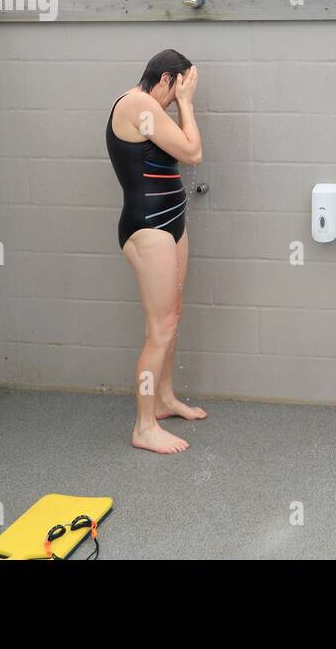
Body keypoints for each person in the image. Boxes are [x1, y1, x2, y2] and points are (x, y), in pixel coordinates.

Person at [106, 49, 206, 455]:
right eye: (177, 88)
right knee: (159, 328)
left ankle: (163, 400)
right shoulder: (137, 104)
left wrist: (180, 102)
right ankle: (143, 426)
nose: (175, 99)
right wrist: (186, 104)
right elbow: (193, 152)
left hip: (172, 221)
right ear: (165, 79)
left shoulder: (151, 107)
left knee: (173, 315)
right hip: (147, 228)